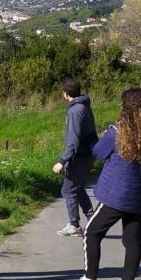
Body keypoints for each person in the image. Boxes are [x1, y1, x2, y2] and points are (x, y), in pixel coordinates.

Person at [63, 87, 141, 280]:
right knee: (132, 240)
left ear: (124, 108)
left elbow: (99, 153)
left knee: (92, 233)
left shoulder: (118, 131)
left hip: (115, 196)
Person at [53, 78, 98, 237]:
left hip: (80, 156)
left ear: (65, 94)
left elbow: (73, 140)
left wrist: (62, 161)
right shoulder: (84, 105)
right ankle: (93, 220)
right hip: (87, 154)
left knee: (68, 190)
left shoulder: (75, 110)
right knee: (77, 188)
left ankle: (74, 225)